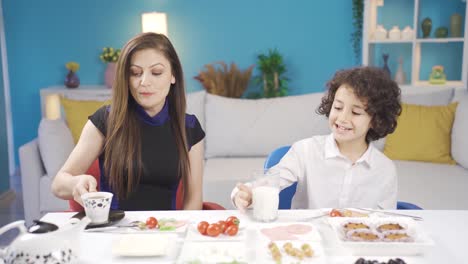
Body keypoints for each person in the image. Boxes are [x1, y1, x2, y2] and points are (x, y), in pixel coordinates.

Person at [52, 33, 205, 210]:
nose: (144, 82)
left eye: (156, 72)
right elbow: (58, 184)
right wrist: (75, 183)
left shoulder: (189, 128)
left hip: (165, 231)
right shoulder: (106, 121)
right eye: (135, 73)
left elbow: (193, 200)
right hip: (114, 232)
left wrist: (180, 235)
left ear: (173, 76)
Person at [232, 66, 402, 210]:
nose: (342, 118)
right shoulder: (306, 151)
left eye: (356, 112)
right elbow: (270, 181)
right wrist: (247, 194)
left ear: (376, 119)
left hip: (358, 246)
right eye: (338, 107)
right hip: (309, 242)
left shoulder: (384, 169)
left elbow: (385, 224)